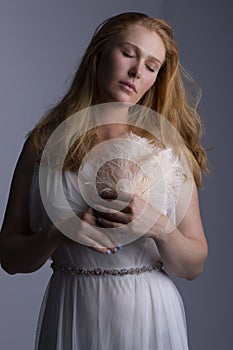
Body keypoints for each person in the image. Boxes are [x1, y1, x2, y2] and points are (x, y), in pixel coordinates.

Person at [0, 12, 209, 350]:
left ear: (158, 78)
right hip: (72, 307)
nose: (137, 72)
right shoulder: (43, 143)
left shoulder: (166, 149)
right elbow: (9, 258)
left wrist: (158, 226)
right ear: (99, 53)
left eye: (152, 66)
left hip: (149, 312)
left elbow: (193, 266)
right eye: (128, 53)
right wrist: (57, 233)